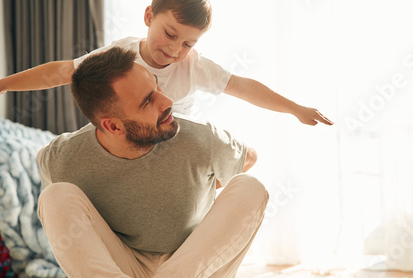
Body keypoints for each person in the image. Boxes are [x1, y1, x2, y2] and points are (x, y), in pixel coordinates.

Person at [0, 0, 333, 126]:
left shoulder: (193, 66)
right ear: (148, 16)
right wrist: (1, 85)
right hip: (131, 134)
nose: (175, 49)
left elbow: (243, 87)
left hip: (175, 135)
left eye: (188, 42)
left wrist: (294, 108)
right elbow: (62, 72)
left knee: (226, 149)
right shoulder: (121, 53)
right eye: (169, 33)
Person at [37, 45, 269, 277]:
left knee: (251, 187)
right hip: (121, 265)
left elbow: (249, 158)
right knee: (53, 196)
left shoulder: (200, 138)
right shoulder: (62, 158)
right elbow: (61, 216)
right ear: (113, 126)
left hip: (193, 266)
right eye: (148, 101)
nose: (167, 101)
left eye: (157, 86)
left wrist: (202, 183)